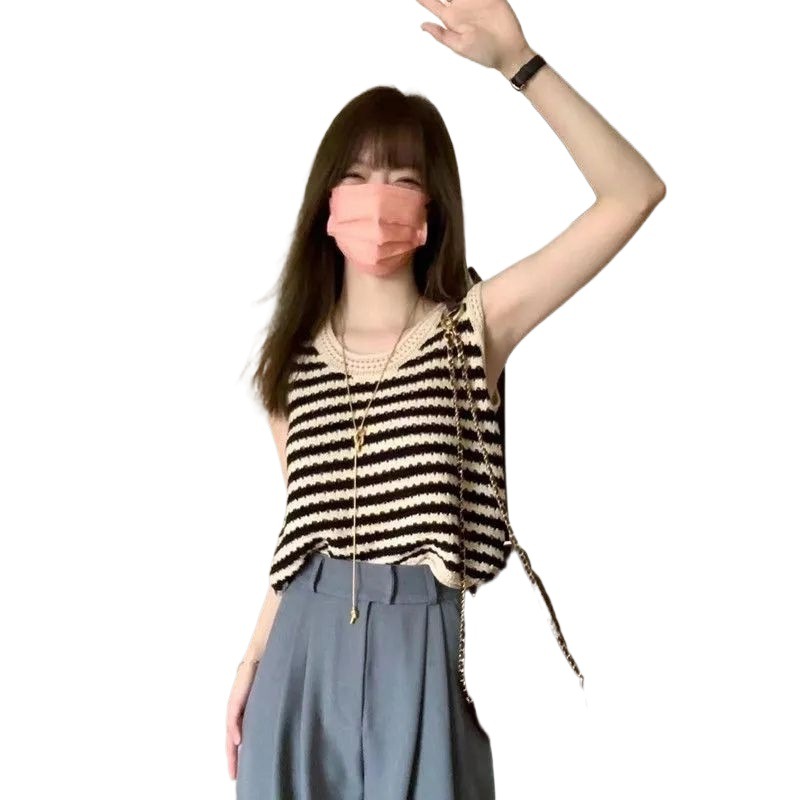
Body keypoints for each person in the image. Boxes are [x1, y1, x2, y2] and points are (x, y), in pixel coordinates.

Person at [226, 1, 666, 797]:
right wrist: (252, 658)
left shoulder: (474, 327)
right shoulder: (293, 360)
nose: (378, 198)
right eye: (357, 176)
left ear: (431, 210)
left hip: (421, 643)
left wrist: (518, 63)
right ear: (326, 202)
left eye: (403, 179)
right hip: (301, 649)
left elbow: (632, 194)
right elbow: (299, 529)